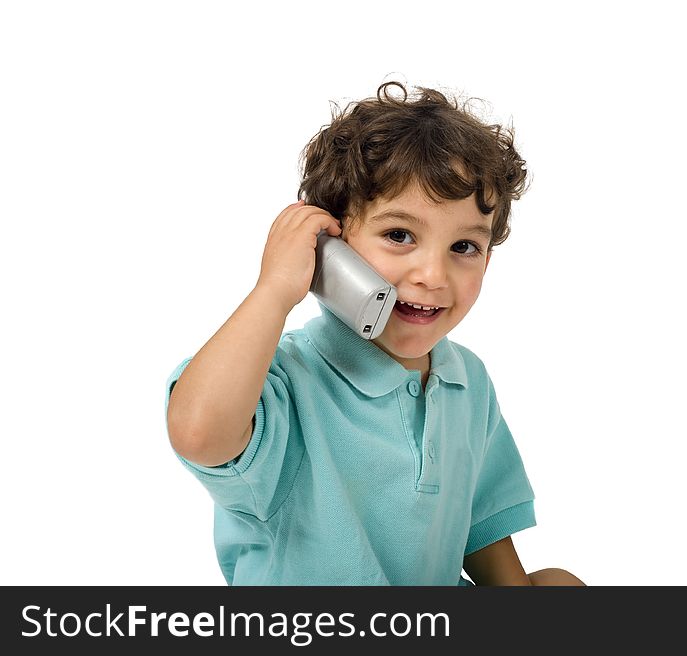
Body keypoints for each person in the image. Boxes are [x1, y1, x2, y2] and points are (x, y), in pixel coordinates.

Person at [164, 81, 585, 586]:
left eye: (464, 247)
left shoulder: (466, 377)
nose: (433, 274)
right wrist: (275, 288)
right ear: (327, 247)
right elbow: (199, 433)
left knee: (560, 586)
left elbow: (481, 524)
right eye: (399, 236)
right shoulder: (285, 382)